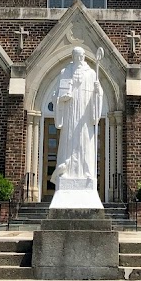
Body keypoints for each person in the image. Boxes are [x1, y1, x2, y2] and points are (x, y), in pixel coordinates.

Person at [51, 46, 103, 190]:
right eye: (75, 56)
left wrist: (98, 92)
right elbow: (56, 94)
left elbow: (97, 96)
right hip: (70, 114)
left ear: (84, 57)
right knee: (68, 141)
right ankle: (65, 172)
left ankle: (87, 173)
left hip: (84, 117)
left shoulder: (92, 73)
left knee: (85, 143)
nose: (78, 58)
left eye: (80, 56)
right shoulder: (65, 72)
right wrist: (62, 99)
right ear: (72, 57)